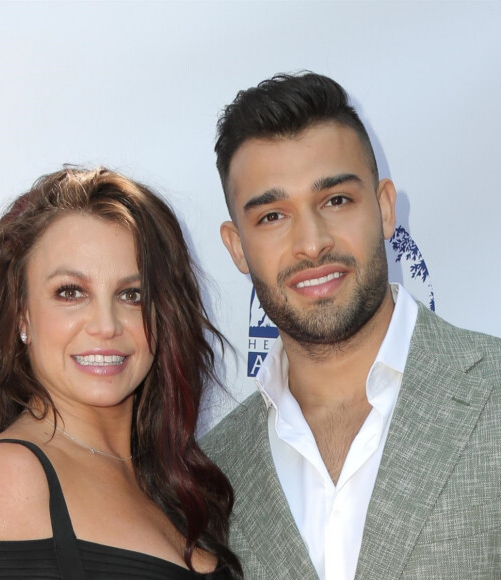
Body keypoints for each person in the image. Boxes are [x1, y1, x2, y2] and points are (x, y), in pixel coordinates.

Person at [202, 72, 501, 580]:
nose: (312, 243)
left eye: (336, 200)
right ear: (236, 247)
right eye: (273, 216)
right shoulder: (211, 474)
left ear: (385, 209)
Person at [0, 167, 243, 580]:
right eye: (71, 292)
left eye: (133, 295)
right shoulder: (7, 482)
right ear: (22, 313)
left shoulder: (170, 482)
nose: (106, 324)